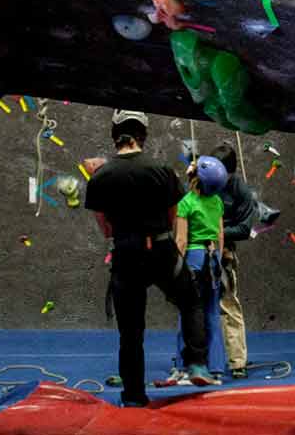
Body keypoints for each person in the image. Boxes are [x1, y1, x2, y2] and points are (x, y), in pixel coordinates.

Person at [83, 109, 213, 405]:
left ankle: (133, 396)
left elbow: (105, 228)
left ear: (115, 136)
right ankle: (196, 362)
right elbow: (171, 216)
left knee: (130, 332)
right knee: (190, 300)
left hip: (126, 252)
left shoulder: (100, 177)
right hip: (160, 248)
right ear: (143, 134)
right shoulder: (161, 170)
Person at [208, 144, 274, 378]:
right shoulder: (204, 181)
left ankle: (237, 362)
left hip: (224, 252)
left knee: (228, 304)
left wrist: (218, 232)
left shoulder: (239, 189)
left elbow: (245, 229)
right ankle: (197, 360)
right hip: (200, 249)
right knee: (195, 305)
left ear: (229, 171)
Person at [164, 155, 227, 385]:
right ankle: (217, 366)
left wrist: (175, 268)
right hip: (213, 259)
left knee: (187, 312)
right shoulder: (217, 201)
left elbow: (180, 240)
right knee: (211, 312)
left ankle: (183, 367)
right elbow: (220, 235)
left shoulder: (186, 202)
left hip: (193, 256)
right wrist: (218, 260)